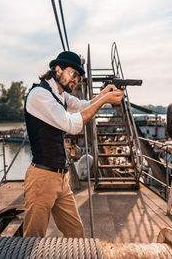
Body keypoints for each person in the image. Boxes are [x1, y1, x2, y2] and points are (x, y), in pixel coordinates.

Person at [23, 50, 124, 238]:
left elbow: (83, 105)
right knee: (32, 238)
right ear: (58, 69)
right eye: (73, 74)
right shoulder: (39, 95)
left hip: (62, 178)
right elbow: (71, 125)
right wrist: (104, 99)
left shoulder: (60, 94)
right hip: (42, 177)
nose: (76, 80)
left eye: (78, 76)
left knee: (76, 233)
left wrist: (104, 93)